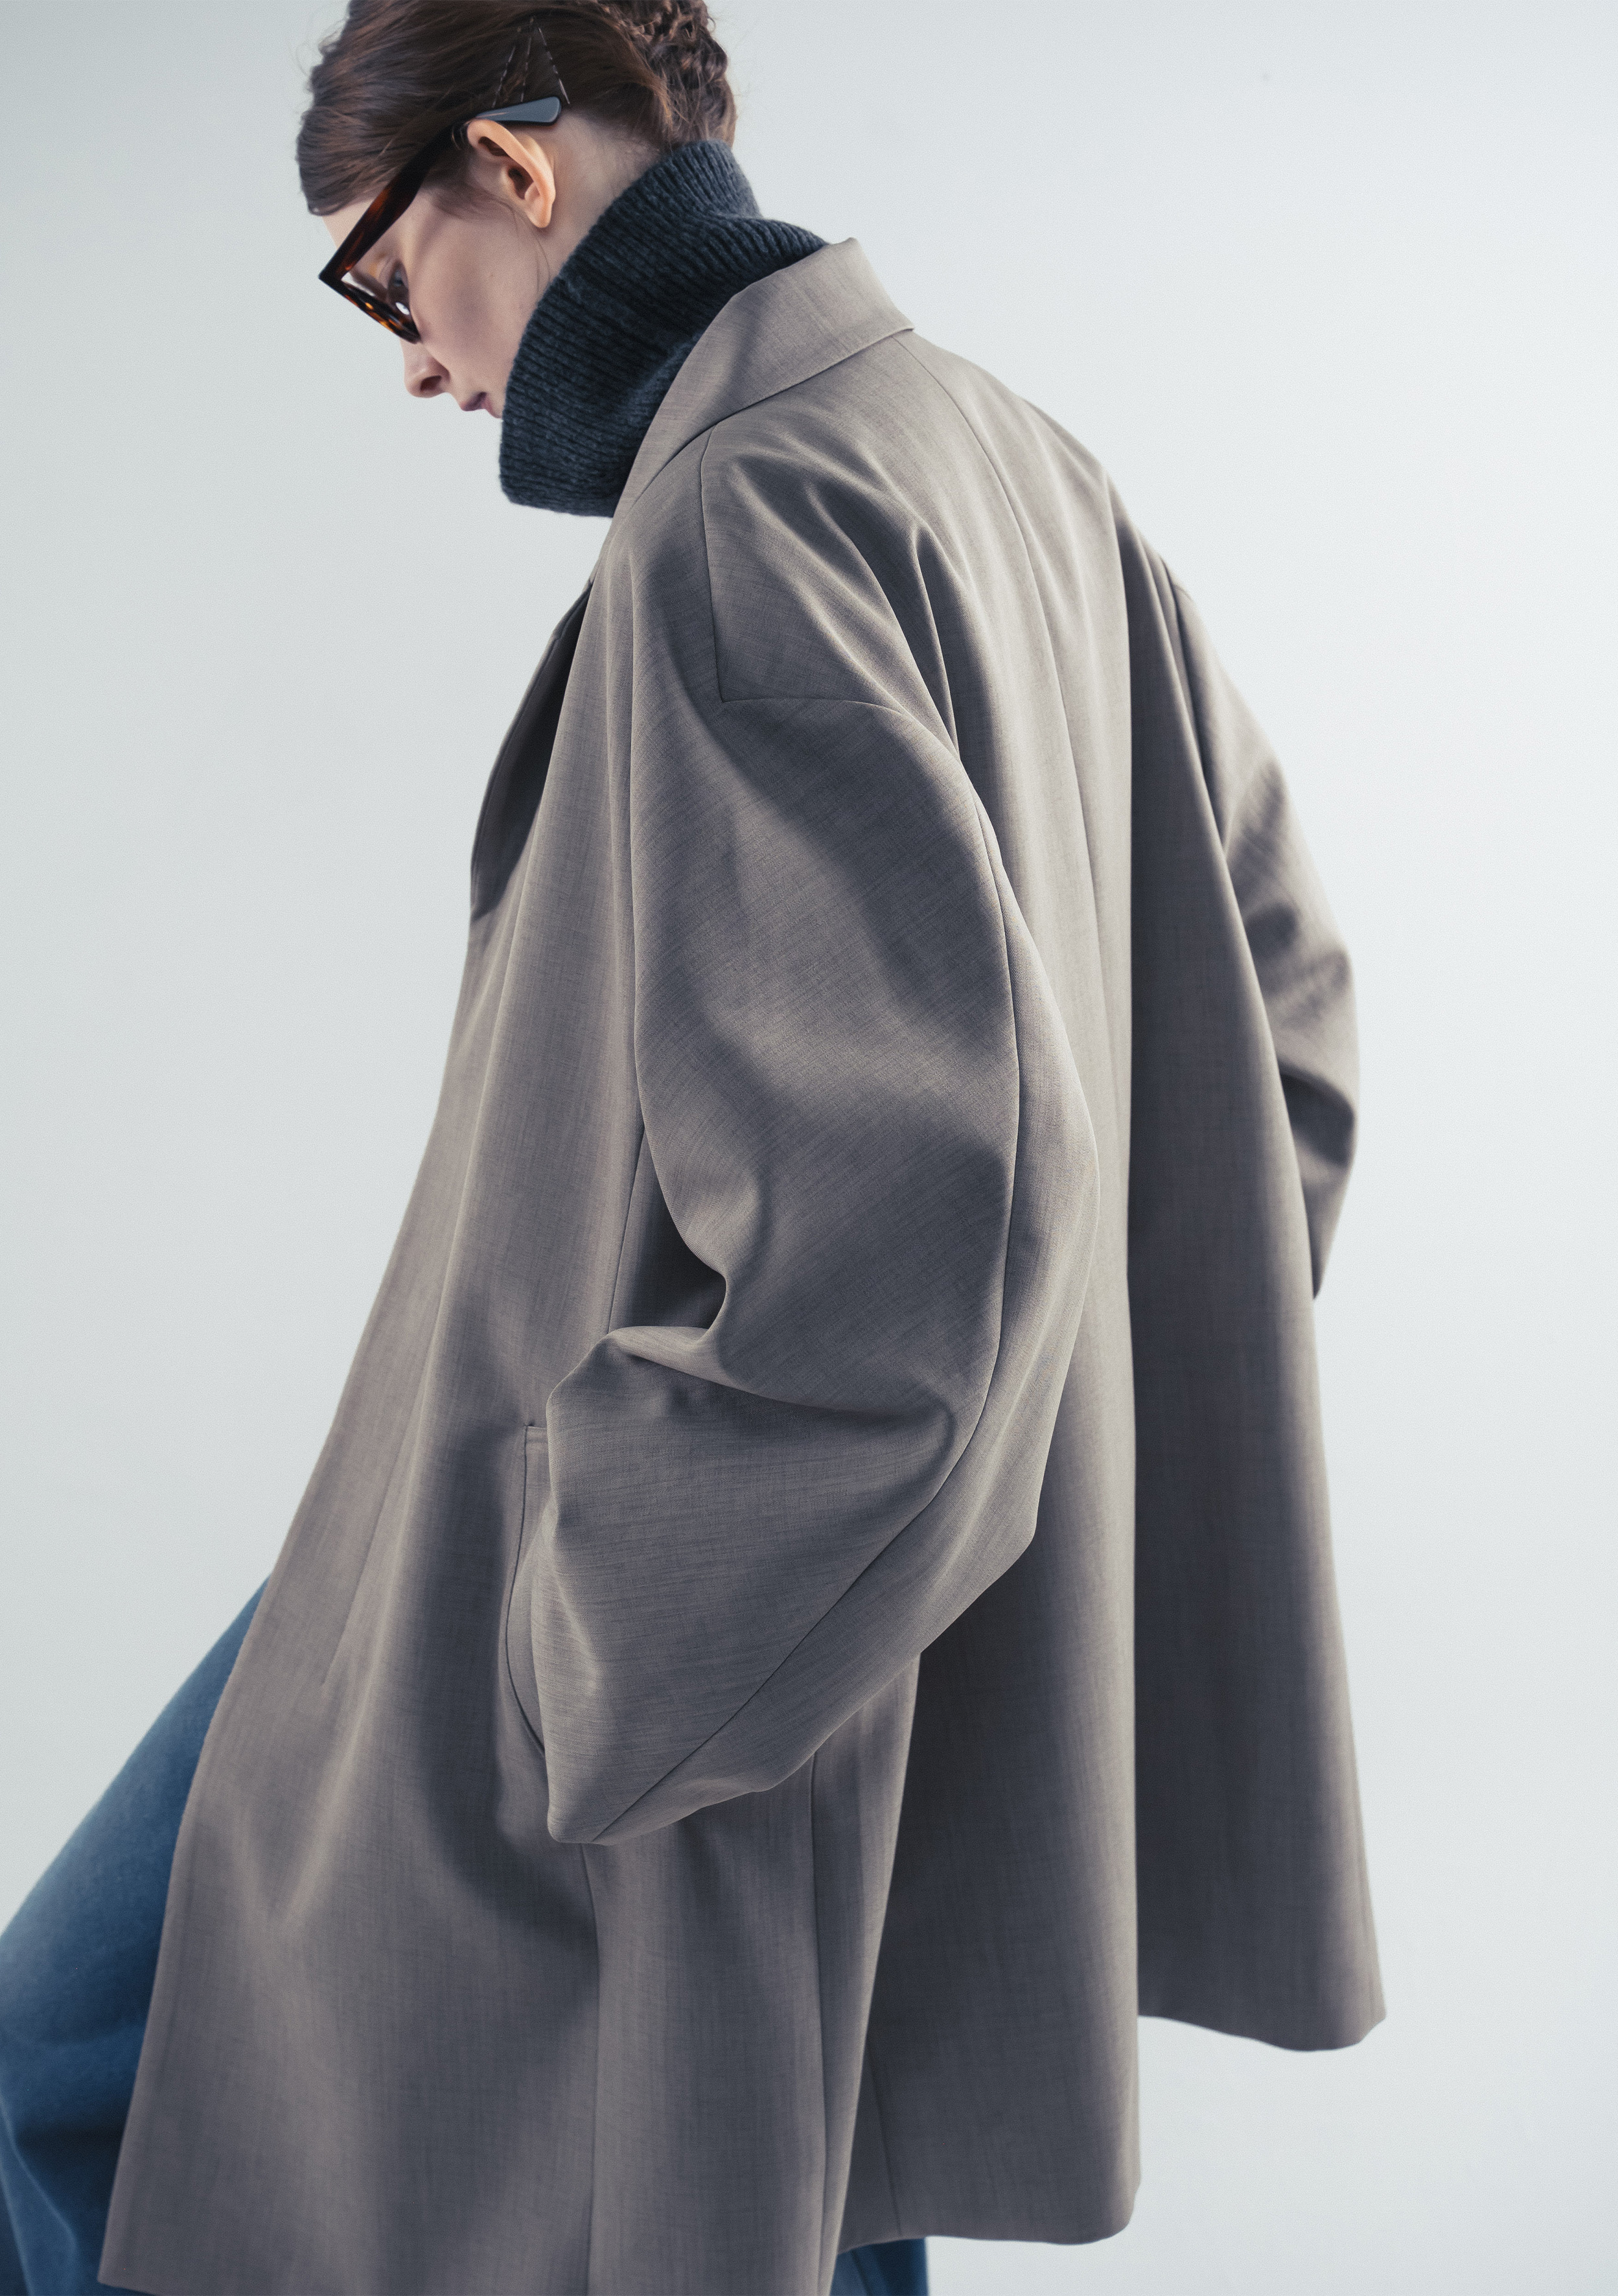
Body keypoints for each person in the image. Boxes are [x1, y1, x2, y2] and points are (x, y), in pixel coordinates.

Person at [0, 3, 1385, 2291]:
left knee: (69, 2076)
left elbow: (919, 1220)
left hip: (628, 1590)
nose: (413, 364)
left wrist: (621, 1611)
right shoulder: (994, 449)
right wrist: (1042, 1443)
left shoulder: (746, 515)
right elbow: (1282, 1009)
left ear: (514, 166)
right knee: (785, 2175)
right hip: (825, 1589)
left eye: (385, 277)